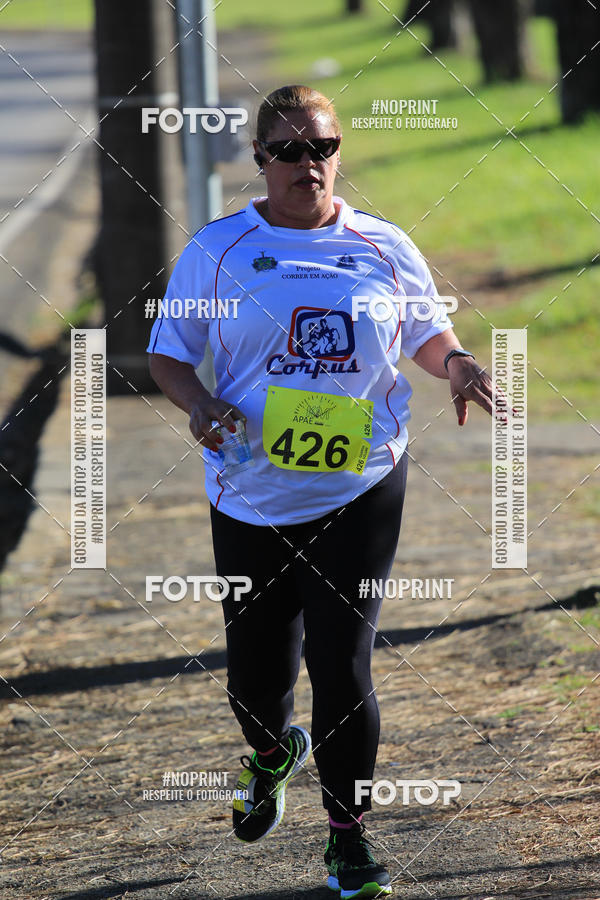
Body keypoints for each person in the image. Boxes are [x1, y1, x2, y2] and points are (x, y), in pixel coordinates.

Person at [147, 84, 495, 899]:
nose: (312, 165)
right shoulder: (219, 250)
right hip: (252, 489)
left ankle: (348, 840)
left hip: (361, 478)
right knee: (256, 678)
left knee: (343, 663)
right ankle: (273, 751)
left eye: (326, 147)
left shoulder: (383, 244)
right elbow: (168, 353)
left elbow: (423, 329)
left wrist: (456, 362)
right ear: (261, 160)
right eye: (293, 151)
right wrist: (198, 403)